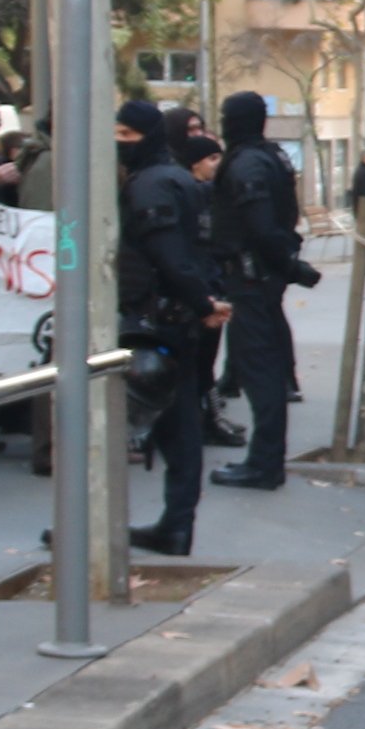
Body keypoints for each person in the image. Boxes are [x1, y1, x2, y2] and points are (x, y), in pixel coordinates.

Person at [114, 101, 227, 557]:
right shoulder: (178, 179)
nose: (119, 144)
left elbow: (169, 256)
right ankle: (175, 524)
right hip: (180, 318)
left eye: (126, 134)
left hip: (158, 323)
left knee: (161, 423)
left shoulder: (154, 185)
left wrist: (201, 302)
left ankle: (166, 525)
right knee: (177, 426)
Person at [207, 90, 315, 491]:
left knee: (260, 374)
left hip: (251, 278)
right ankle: (264, 459)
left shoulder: (248, 163)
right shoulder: (271, 156)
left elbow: (260, 225)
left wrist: (285, 264)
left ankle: (264, 463)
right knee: (262, 370)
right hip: (260, 276)